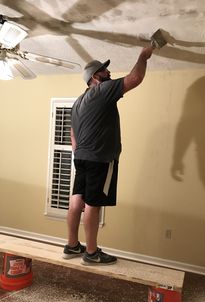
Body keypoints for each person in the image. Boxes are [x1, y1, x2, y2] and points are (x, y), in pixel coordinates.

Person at [63, 45, 154, 265]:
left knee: (77, 200)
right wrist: (143, 55)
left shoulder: (78, 102)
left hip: (82, 158)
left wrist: (79, 152)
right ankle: (92, 253)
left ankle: (72, 245)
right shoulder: (102, 91)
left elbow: (72, 132)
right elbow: (135, 78)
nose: (109, 73)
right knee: (93, 204)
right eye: (104, 71)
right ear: (95, 77)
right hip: (99, 158)